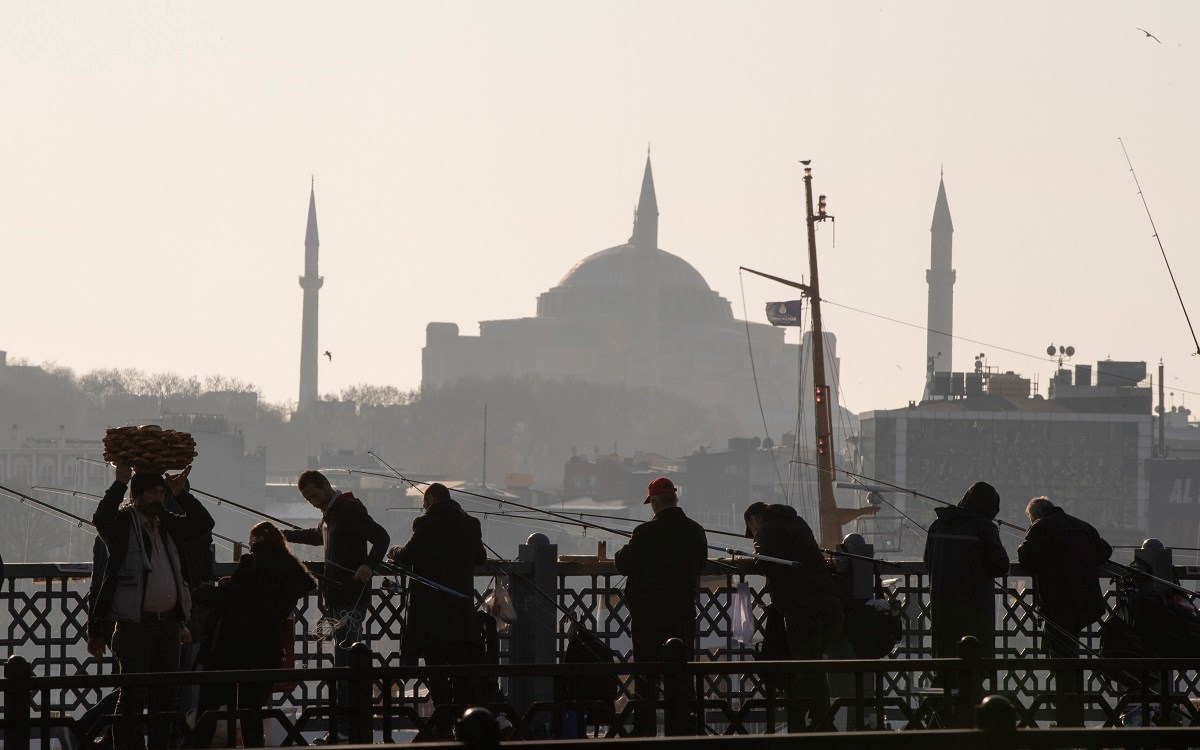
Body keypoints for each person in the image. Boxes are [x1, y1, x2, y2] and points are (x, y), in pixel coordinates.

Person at [91, 465, 215, 750]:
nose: (158, 499)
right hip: (136, 625)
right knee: (132, 697)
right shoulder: (124, 524)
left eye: (161, 493)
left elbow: (203, 522)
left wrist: (180, 493)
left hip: (169, 625)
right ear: (137, 495)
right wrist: (120, 482)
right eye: (152, 493)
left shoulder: (167, 523)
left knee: (166, 699)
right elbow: (101, 518)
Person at [282, 470, 389, 745]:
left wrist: (369, 566)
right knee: (343, 665)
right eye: (307, 499)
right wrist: (282, 536)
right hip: (335, 600)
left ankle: (346, 729)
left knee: (345, 666)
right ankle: (347, 727)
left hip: (351, 599)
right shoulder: (330, 514)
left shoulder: (349, 510)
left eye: (314, 495)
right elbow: (317, 537)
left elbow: (381, 537)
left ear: (326, 486)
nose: (312, 502)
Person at [189, 521, 318, 749]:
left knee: (210, 703)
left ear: (256, 541)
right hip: (266, 648)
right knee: (251, 710)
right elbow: (308, 583)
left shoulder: (252, 560)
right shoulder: (290, 568)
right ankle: (253, 746)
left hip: (232, 648)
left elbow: (231, 595)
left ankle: (198, 746)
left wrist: (200, 594)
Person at [387, 482, 485, 739]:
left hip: (430, 615)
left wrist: (393, 551)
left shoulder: (425, 523)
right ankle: (465, 723)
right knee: (461, 671)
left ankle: (443, 724)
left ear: (430, 500)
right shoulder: (471, 524)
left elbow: (407, 556)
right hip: (461, 613)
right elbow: (481, 558)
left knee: (437, 671)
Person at [614, 477, 707, 735]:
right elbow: (701, 564)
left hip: (648, 614)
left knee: (647, 673)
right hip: (683, 612)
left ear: (654, 503)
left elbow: (623, 563)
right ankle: (684, 728)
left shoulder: (645, 533)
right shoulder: (695, 531)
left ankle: (645, 729)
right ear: (675, 500)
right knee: (681, 671)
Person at [744, 502, 844, 732]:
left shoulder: (766, 531)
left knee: (808, 669)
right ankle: (808, 718)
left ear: (754, 520)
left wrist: (756, 558)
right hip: (832, 607)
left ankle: (822, 724)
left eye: (751, 526)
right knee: (811, 666)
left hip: (803, 610)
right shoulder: (799, 524)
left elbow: (767, 563)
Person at [1017, 496, 1112, 726]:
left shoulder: (1040, 528)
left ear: (1035, 516)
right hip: (1087, 603)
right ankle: (1074, 712)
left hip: (1058, 603)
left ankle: (1069, 719)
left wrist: (1029, 535)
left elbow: (1026, 558)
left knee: (1062, 660)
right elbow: (1105, 551)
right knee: (1070, 655)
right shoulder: (1082, 525)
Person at [923, 481, 1010, 687]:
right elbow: (999, 565)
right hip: (974, 605)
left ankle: (945, 712)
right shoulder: (984, 527)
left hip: (942, 605)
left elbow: (928, 561)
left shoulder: (938, 524)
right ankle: (970, 712)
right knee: (973, 661)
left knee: (947, 661)